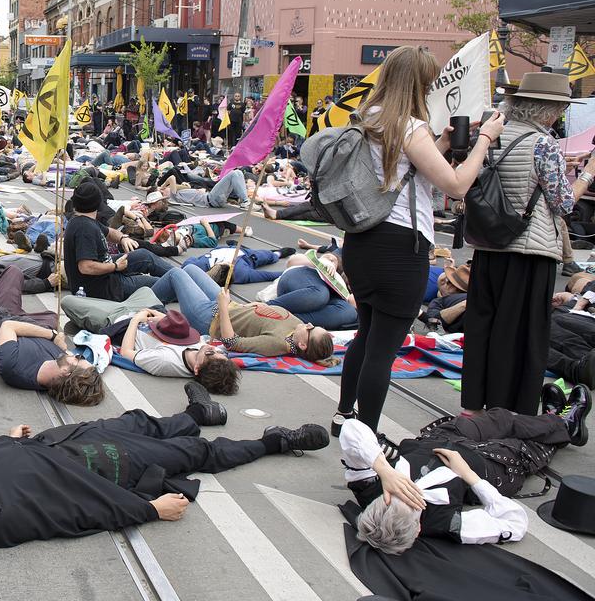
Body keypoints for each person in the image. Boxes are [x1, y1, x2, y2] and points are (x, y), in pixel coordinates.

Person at [334, 45, 504, 435]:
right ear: (417, 85)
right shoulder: (409, 126)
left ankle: (343, 413)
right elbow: (458, 185)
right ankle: (364, 443)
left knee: (366, 331)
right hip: (399, 247)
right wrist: (484, 140)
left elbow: (400, 171)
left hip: (360, 242)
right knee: (383, 348)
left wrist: (440, 145)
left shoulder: (366, 118)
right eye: (427, 84)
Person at [0, 402, 328, 549]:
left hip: (58, 440)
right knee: (191, 453)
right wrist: (148, 509)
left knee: (136, 420)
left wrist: (5, 437)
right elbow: (76, 511)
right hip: (95, 465)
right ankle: (275, 441)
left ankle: (195, 413)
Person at [462, 73, 594, 417]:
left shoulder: (491, 135)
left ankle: (474, 405)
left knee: (482, 326)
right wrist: (588, 174)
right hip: (529, 249)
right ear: (548, 110)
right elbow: (563, 203)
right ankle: (510, 407)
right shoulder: (544, 143)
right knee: (522, 332)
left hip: (489, 244)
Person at [342, 387, 590, 555]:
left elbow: (351, 428)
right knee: (528, 447)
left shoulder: (369, 488)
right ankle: (563, 424)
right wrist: (469, 476)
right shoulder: (446, 523)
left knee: (500, 418)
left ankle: (555, 420)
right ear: (418, 530)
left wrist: (385, 471)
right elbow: (515, 523)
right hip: (486, 467)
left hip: (439, 441)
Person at [0, 266, 105, 405]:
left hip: (3, 320)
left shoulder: (13, 366)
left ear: (66, 371)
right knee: (51, 316)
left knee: (14, 272)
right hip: (28, 324)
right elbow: (66, 352)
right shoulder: (59, 367)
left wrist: (53, 336)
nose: (74, 354)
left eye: (79, 357)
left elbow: (9, 325)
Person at [156, 265, 336, 363]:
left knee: (176, 273)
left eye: (311, 329)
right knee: (190, 268)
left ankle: (144, 301)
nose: (309, 324)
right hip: (230, 306)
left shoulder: (276, 343)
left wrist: (224, 307)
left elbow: (231, 342)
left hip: (209, 317)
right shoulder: (297, 328)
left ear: (303, 345)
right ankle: (160, 296)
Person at [63, 182, 173, 301]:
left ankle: (183, 277)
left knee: (144, 255)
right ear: (98, 203)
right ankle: (183, 283)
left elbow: (109, 232)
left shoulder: (83, 220)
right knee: (163, 284)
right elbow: (86, 267)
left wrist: (123, 238)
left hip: (105, 272)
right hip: (103, 287)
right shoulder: (85, 229)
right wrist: (115, 266)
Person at [114, 308, 240, 395]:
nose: (213, 348)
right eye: (220, 353)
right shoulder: (204, 353)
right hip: (154, 318)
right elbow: (179, 327)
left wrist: (135, 320)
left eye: (210, 354)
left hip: (122, 324)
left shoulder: (165, 360)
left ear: (197, 369)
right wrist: (160, 316)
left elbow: (126, 352)